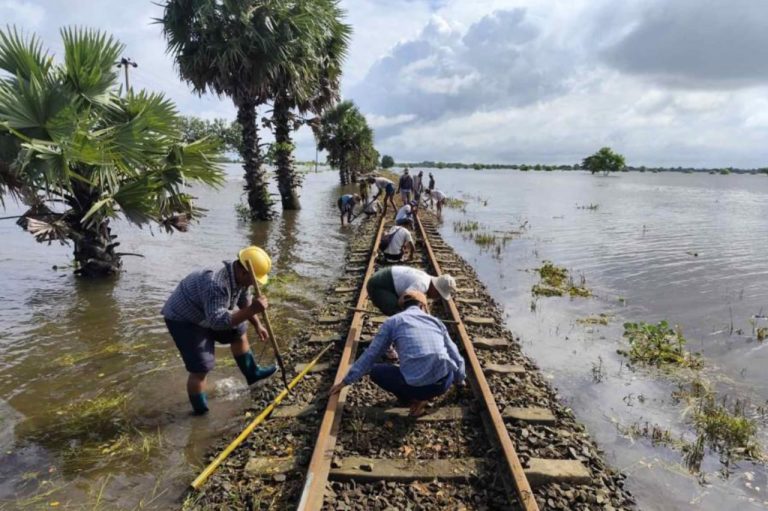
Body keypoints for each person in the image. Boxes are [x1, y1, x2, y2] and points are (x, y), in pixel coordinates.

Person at [162, 247, 276, 415]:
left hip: (208, 314)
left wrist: (257, 324)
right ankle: (200, 412)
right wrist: (252, 310)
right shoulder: (216, 282)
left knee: (239, 329)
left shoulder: (240, 277)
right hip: (184, 319)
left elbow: (245, 301)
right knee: (201, 366)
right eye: (254, 280)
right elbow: (217, 322)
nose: (254, 284)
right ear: (244, 273)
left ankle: (253, 373)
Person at [330, 290, 466, 416]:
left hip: (414, 387)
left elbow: (371, 354)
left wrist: (346, 381)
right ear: (423, 306)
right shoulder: (436, 322)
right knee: (447, 361)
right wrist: (460, 381)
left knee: (376, 371)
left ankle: (412, 400)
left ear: (402, 307)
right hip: (442, 384)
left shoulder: (393, 321)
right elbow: (455, 355)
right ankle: (424, 398)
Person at [367, 266, 457, 316]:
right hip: (379, 285)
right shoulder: (422, 285)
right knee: (400, 314)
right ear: (436, 289)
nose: (436, 298)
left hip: (386, 279)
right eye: (438, 295)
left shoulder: (428, 279)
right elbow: (403, 299)